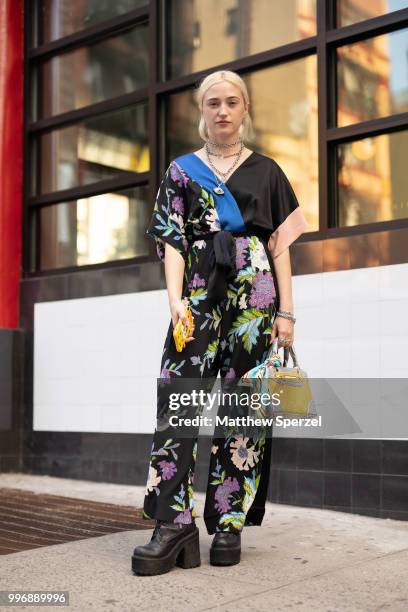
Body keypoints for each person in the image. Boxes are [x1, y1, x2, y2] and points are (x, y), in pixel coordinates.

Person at [132, 69, 309, 576]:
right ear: (201, 110)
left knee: (244, 410)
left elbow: (280, 249)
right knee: (179, 402)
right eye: (213, 103)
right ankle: (173, 523)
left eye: (232, 102)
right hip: (197, 297)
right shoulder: (182, 170)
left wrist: (287, 313)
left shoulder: (268, 170)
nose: (223, 111)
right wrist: (174, 301)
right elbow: (172, 242)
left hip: (256, 300)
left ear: (245, 108)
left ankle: (227, 523)